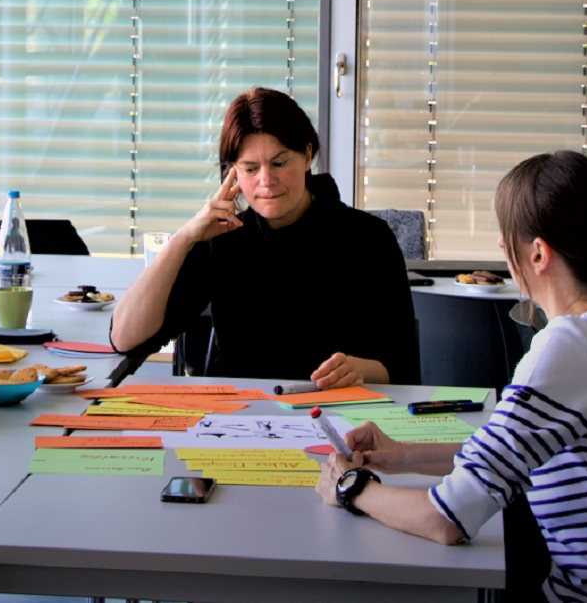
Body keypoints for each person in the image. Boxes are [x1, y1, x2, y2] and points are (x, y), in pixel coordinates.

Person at [317, 151, 587, 603]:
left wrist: (352, 488)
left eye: (504, 234)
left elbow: (446, 520)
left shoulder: (570, 346)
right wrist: (405, 455)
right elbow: (513, 453)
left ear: (537, 253)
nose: (499, 245)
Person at [110, 87, 417, 385]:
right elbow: (127, 339)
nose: (266, 181)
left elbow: (400, 366)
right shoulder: (224, 237)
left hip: (330, 411)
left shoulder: (368, 239)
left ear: (307, 155)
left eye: (279, 163)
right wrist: (185, 238)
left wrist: (359, 370)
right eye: (250, 168)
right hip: (237, 415)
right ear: (233, 172)